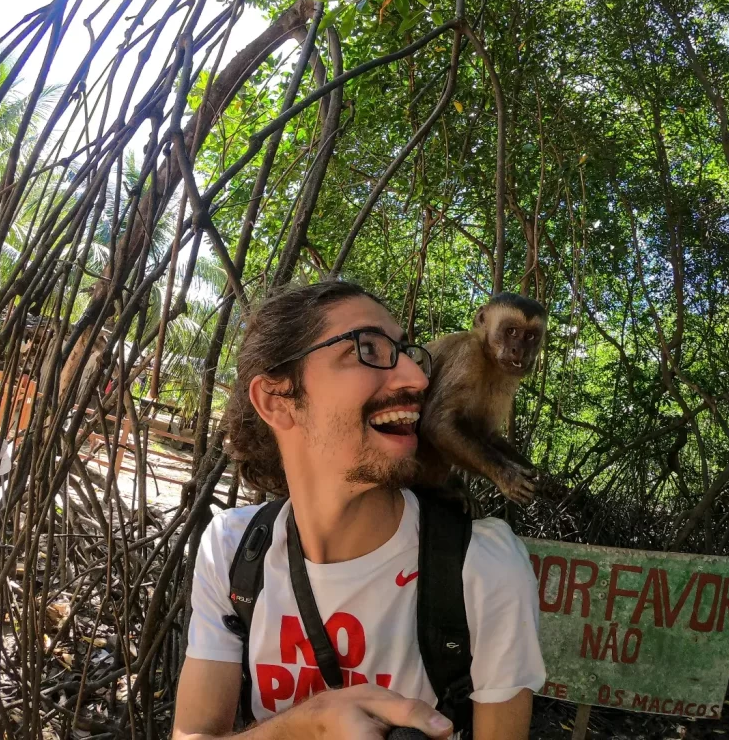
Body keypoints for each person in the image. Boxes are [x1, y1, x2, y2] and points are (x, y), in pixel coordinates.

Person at [172, 281, 545, 739]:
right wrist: (306, 726)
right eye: (366, 349)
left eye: (406, 352)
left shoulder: (485, 568)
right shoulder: (233, 553)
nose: (418, 378)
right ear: (276, 400)